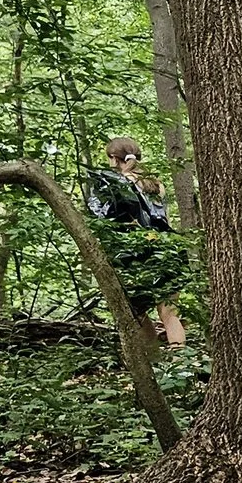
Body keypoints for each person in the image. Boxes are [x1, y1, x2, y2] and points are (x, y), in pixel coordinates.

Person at [87, 137, 187, 348]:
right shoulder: (155, 183)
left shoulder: (117, 184)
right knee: (169, 314)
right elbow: (164, 219)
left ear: (114, 159)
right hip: (168, 251)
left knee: (137, 314)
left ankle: (154, 366)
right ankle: (182, 366)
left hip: (139, 257)